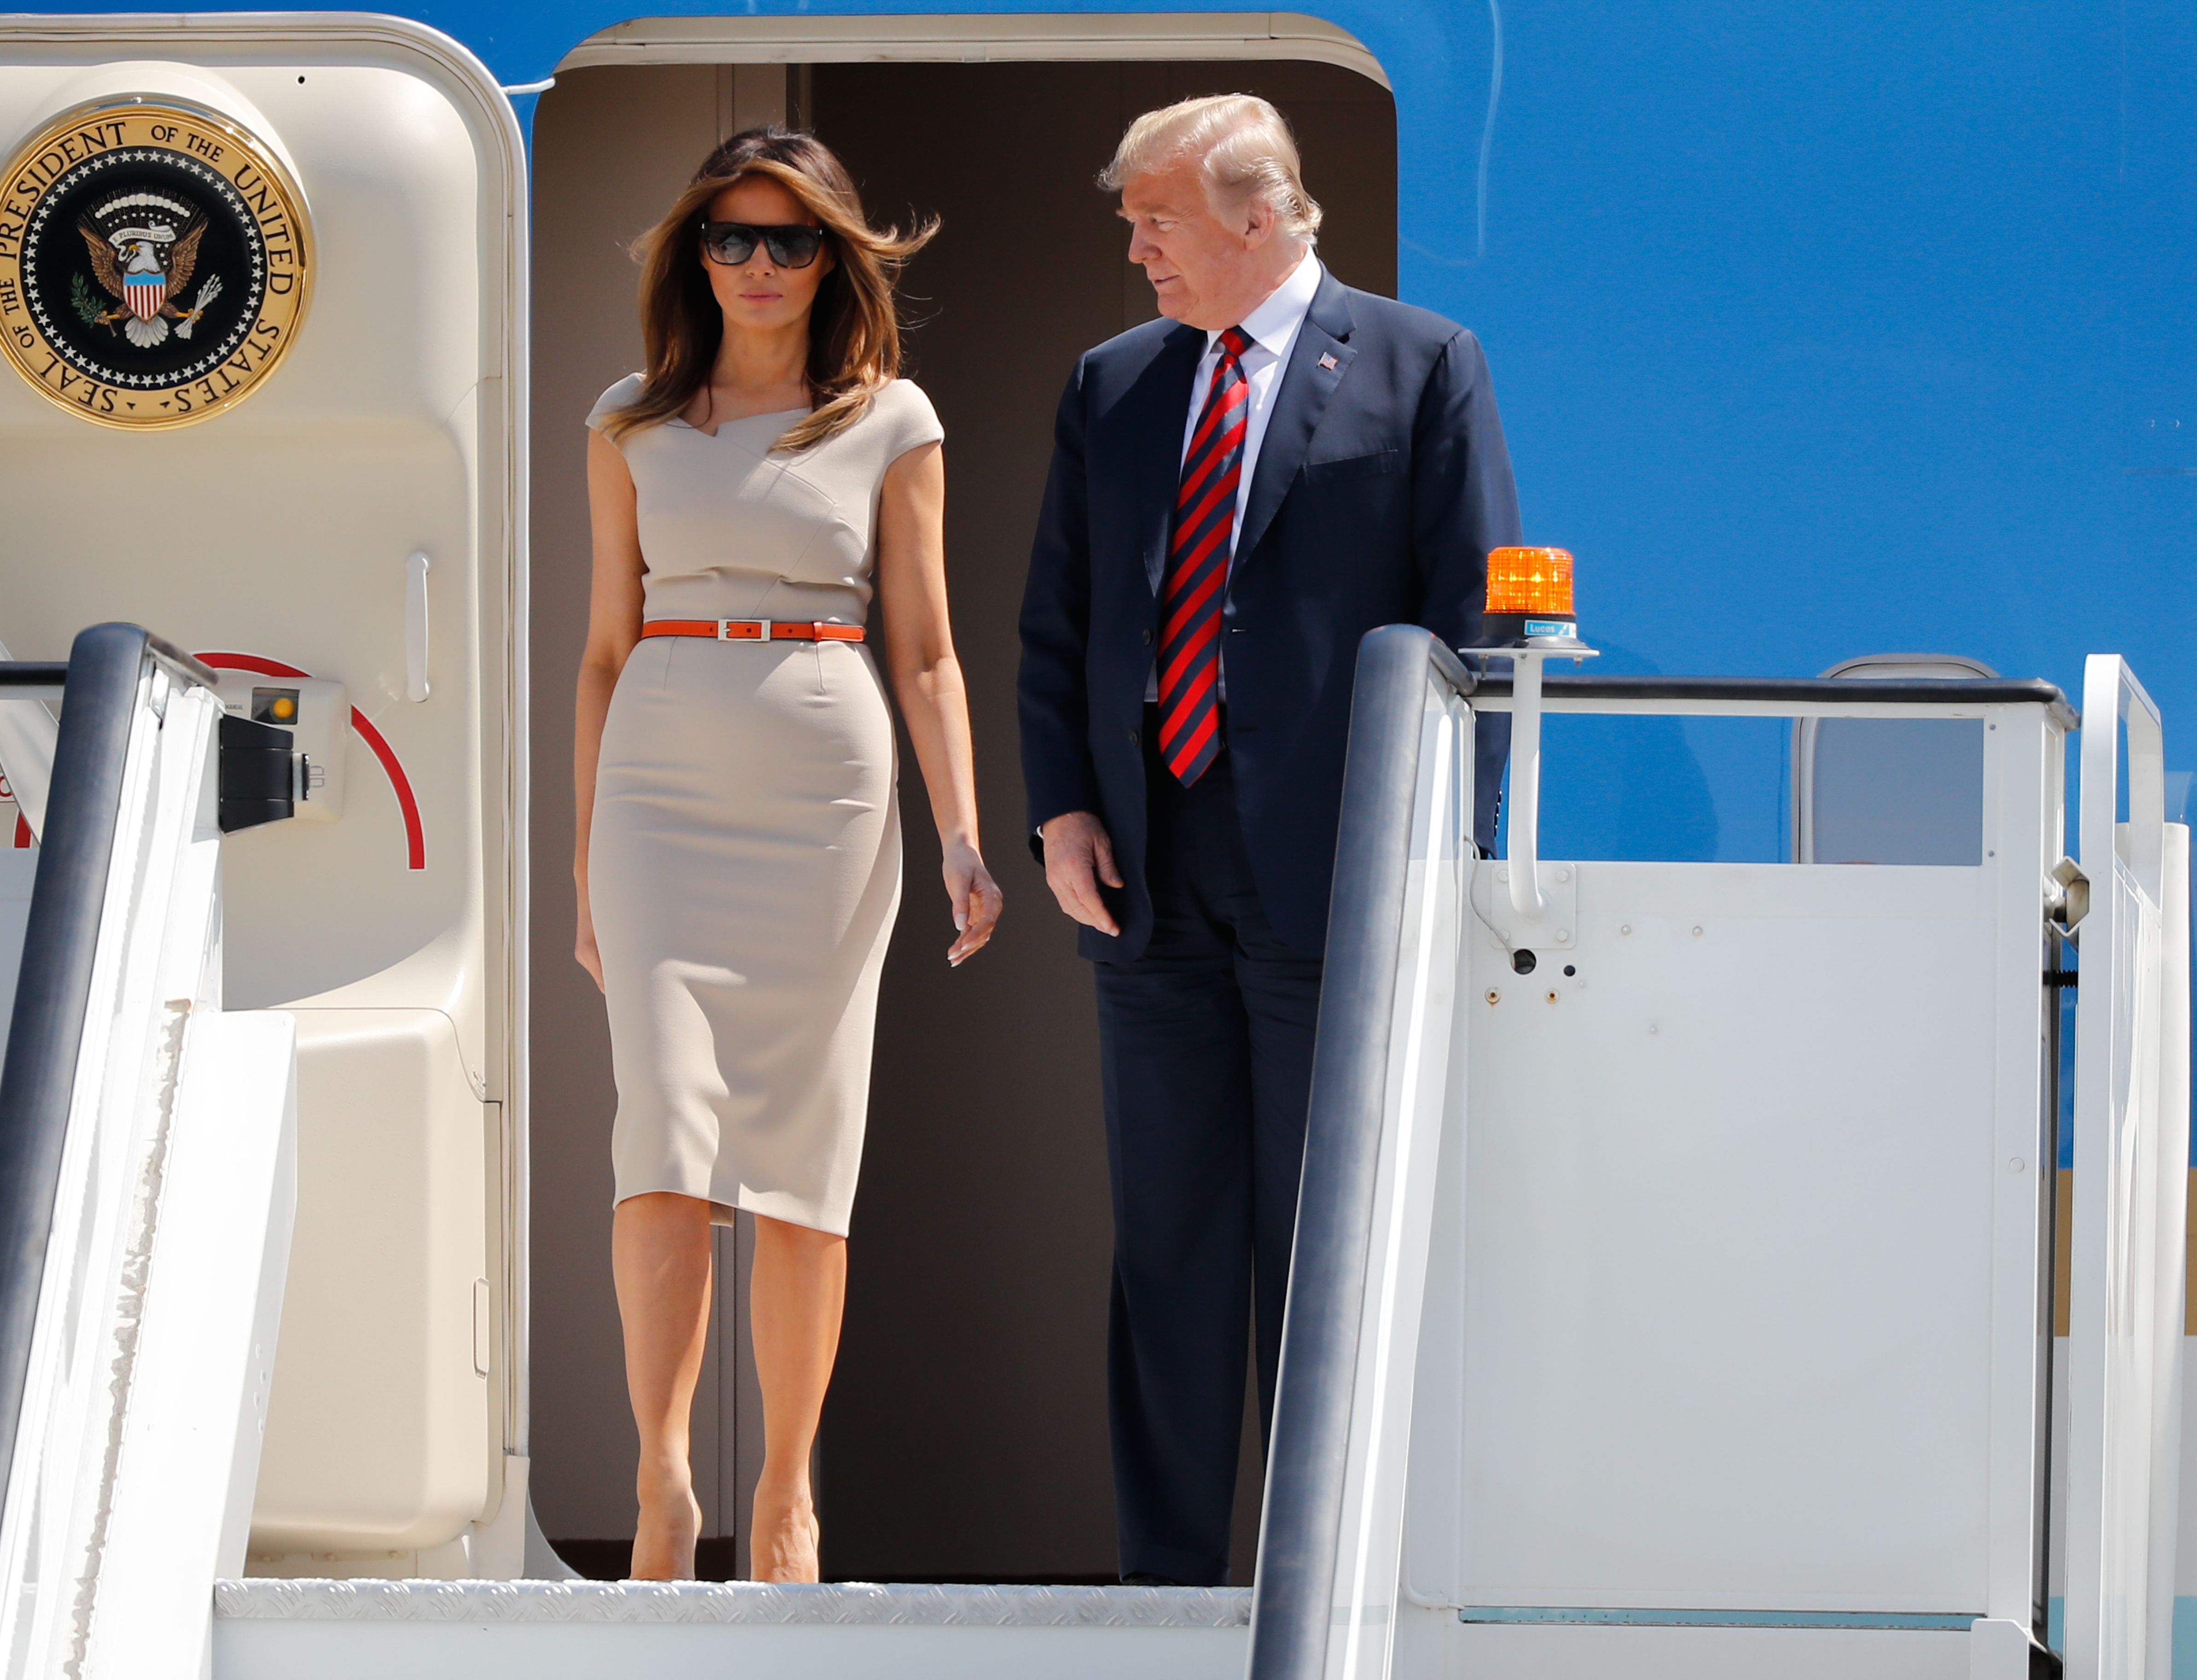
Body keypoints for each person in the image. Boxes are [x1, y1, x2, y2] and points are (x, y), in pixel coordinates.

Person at [1017, 94, 1519, 1585]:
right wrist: (1058, 808)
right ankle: (1166, 1588)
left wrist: (1447, 868)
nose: (1135, 249)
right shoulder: (1112, 383)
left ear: (1256, 213)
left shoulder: (1424, 365)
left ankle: (1324, 1585)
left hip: (1338, 874)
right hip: (1144, 877)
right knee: (1166, 1250)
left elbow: (1475, 626)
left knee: (1325, 1252)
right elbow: (1060, 619)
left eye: (1153, 220)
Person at [576, 127, 1002, 1583]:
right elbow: (600, 652)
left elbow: (931, 649)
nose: (760, 266)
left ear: (837, 257)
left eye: (792, 239)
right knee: (664, 1138)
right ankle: (661, 1480)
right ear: (696, 253)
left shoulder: (892, 418)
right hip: (658, 774)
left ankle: (785, 1494)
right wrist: (582, 872)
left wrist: (962, 833)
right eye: (733, 238)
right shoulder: (630, 418)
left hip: (826, 774)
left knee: (805, 1157)